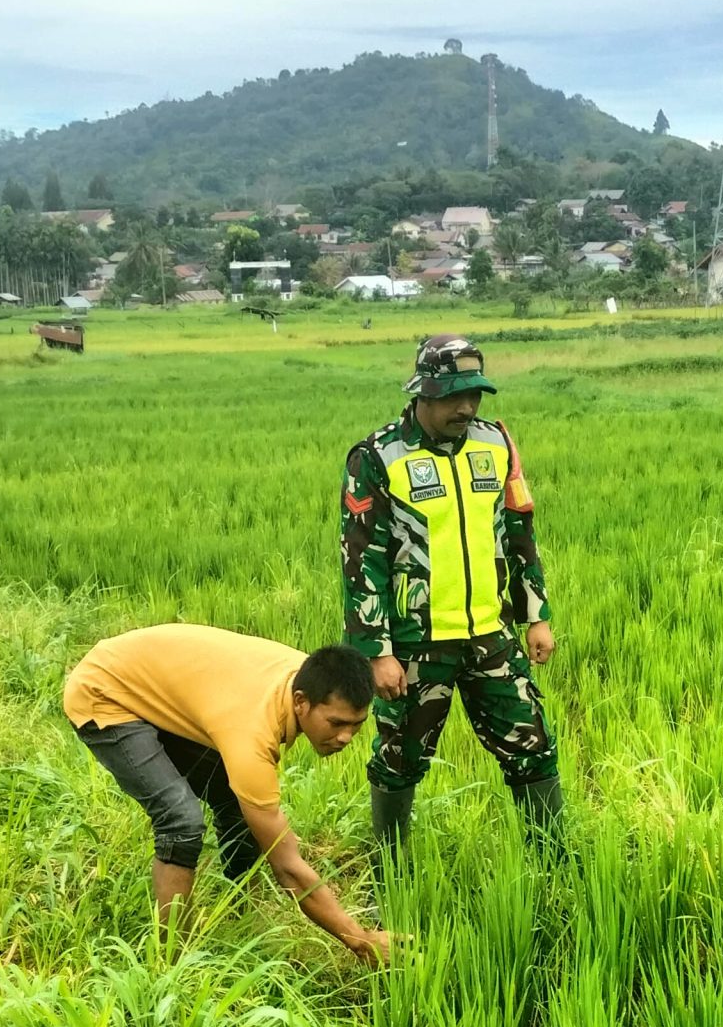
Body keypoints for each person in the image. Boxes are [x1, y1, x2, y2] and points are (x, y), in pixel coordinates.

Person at [341, 335, 562, 852]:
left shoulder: (495, 443)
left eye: (475, 394)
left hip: (491, 633)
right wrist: (377, 651)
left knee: (532, 746)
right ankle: (392, 873)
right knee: (401, 760)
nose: (466, 407)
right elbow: (360, 560)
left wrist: (536, 615)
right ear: (422, 392)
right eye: (452, 396)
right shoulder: (377, 456)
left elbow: (519, 531)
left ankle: (555, 864)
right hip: (416, 642)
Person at [63, 624, 391, 960]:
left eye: (356, 724)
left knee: (241, 804)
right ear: (300, 703)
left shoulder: (310, 677)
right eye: (336, 723)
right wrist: (359, 938)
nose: (345, 737)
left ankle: (239, 911)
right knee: (181, 821)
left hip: (156, 684)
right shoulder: (252, 731)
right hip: (105, 691)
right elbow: (288, 867)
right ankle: (173, 962)